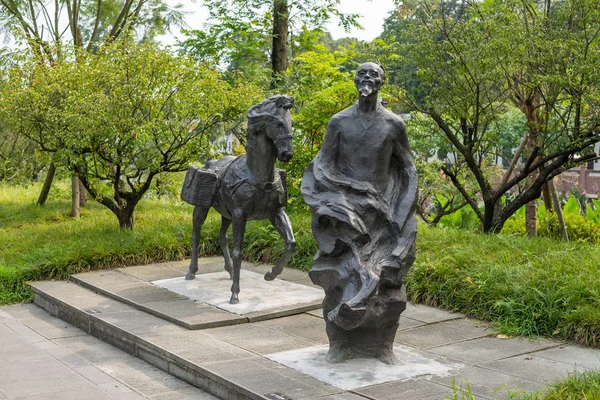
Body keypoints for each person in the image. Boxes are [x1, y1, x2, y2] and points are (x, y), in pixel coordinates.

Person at [301, 62, 418, 364]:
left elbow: (407, 168)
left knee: (388, 283)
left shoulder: (393, 124)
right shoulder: (339, 122)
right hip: (346, 212)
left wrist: (402, 210)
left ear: (382, 82)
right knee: (340, 278)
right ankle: (339, 344)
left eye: (373, 75)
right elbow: (323, 165)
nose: (367, 79)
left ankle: (382, 347)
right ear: (355, 81)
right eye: (361, 74)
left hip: (383, 212)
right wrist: (335, 200)